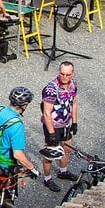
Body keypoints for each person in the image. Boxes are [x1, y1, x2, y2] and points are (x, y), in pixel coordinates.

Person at [0, 87, 43, 182]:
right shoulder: (17, 125)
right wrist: (32, 168)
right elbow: (18, 155)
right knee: (7, 190)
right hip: (5, 164)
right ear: (25, 105)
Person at [40, 61, 79, 192]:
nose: (64, 77)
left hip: (66, 124)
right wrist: (51, 133)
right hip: (53, 126)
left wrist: (74, 122)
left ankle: (63, 171)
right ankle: (47, 179)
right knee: (50, 154)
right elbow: (46, 112)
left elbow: (74, 103)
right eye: (62, 74)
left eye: (68, 74)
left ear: (72, 74)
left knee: (67, 148)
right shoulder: (51, 89)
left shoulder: (73, 85)